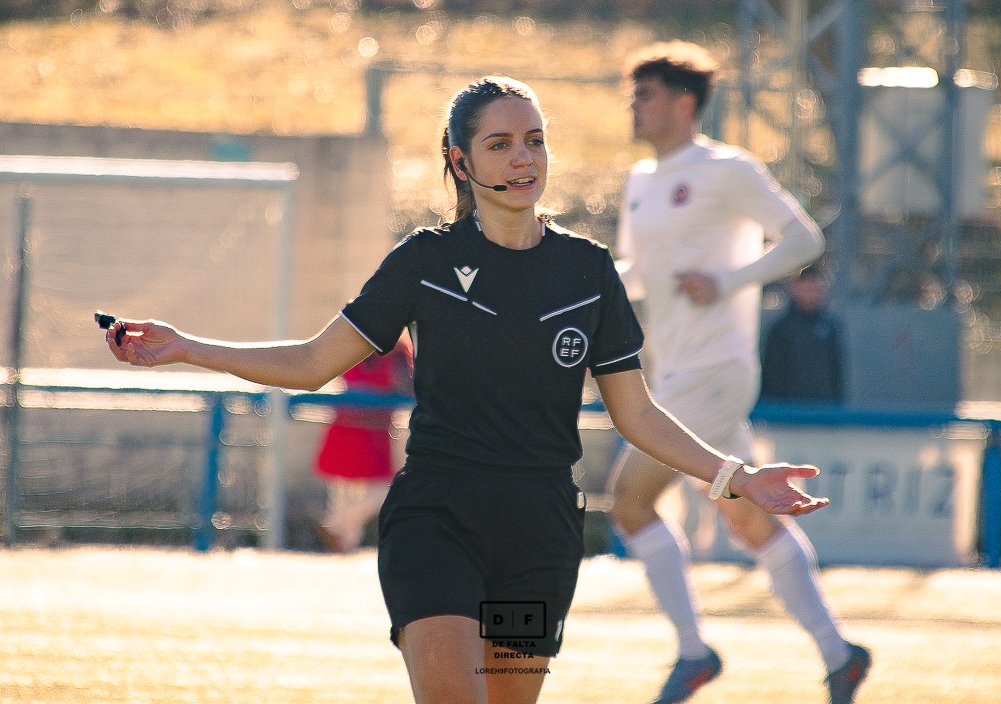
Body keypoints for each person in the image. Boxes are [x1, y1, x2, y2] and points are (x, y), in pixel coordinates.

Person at [101, 75, 830, 704]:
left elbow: (636, 412)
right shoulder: (423, 261)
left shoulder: (589, 271)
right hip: (436, 521)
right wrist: (189, 347)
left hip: (538, 534)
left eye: (536, 141)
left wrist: (736, 476)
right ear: (460, 160)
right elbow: (313, 360)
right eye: (501, 144)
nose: (524, 159)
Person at [607, 42, 870, 704]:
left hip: (717, 373)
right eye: (633, 94)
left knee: (630, 500)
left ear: (685, 102)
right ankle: (841, 655)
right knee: (748, 518)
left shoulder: (726, 169)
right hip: (672, 376)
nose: (635, 106)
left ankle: (694, 654)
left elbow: (804, 239)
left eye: (648, 94)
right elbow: (635, 273)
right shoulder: (640, 181)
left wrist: (727, 280)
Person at [314, 335, 413, 552]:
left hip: (372, 432)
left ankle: (336, 527)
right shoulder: (353, 341)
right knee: (343, 497)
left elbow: (405, 386)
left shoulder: (395, 350)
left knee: (378, 493)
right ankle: (339, 537)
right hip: (349, 427)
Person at [761, 263, 844, 403]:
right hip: (787, 412)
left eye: (815, 286)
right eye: (806, 286)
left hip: (824, 410)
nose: (811, 291)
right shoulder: (780, 329)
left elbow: (836, 372)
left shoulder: (831, 327)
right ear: (794, 289)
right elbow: (772, 375)